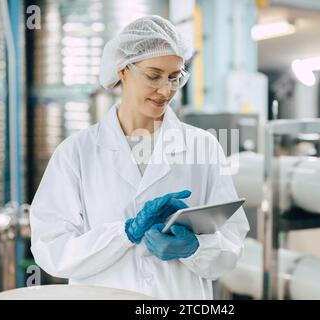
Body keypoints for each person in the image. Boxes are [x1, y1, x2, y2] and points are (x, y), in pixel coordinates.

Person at [30, 15, 249, 300]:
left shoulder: (203, 146)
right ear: (122, 70)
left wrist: (195, 248)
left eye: (174, 77)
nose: (166, 90)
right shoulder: (77, 152)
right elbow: (52, 249)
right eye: (153, 75)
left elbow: (232, 240)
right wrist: (125, 233)